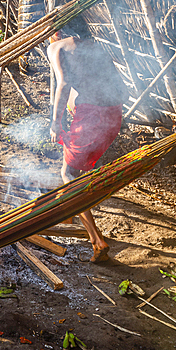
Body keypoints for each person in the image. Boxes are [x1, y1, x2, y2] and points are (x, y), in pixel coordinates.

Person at [47, 15, 125, 263]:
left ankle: (96, 240)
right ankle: (71, 210)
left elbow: (64, 84)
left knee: (69, 175)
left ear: (57, 31)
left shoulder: (57, 46)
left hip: (93, 116)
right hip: (114, 114)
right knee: (73, 170)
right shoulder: (96, 46)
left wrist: (55, 122)